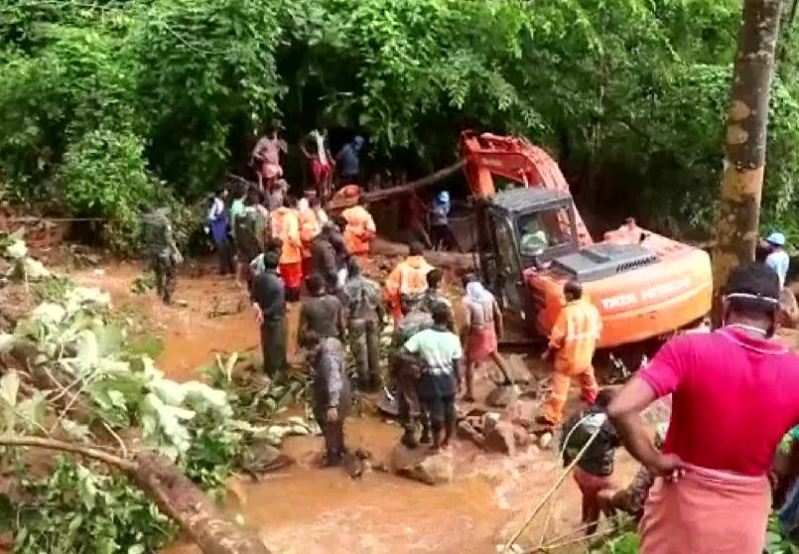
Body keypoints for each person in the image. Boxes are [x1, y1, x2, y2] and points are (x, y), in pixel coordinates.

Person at [608, 263, 799, 554]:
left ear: (725, 307)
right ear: (775, 317)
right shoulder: (795, 371)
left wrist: (654, 460)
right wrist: (780, 465)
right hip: (743, 518)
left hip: (680, 507)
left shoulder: (688, 349)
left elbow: (621, 408)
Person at [540, 280, 602, 425]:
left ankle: (552, 415)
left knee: (560, 387)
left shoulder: (567, 313)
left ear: (569, 294)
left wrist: (548, 353)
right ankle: (593, 399)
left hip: (568, 358)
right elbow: (598, 331)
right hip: (586, 355)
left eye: (564, 294)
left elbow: (556, 338)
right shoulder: (592, 310)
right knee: (588, 377)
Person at [403, 303, 463, 452]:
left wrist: (417, 362)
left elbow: (401, 353)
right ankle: (447, 441)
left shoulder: (422, 336)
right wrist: (459, 379)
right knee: (450, 410)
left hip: (430, 379)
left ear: (432, 318)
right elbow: (457, 362)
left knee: (435, 412)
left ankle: (436, 444)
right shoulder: (453, 338)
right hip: (448, 378)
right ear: (448, 319)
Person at [561, 389, 620, 535]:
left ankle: (583, 521)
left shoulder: (579, 414)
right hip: (597, 476)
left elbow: (565, 439)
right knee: (598, 505)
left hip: (579, 471)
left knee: (587, 497)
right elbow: (620, 441)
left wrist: (566, 460)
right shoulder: (607, 422)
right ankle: (590, 538)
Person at [459, 274, 512, 402]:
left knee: (470, 361)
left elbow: (466, 323)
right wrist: (500, 331)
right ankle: (509, 377)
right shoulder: (488, 295)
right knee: (494, 353)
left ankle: (470, 393)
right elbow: (498, 314)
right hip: (490, 328)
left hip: (477, 331)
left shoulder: (467, 301)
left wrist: (463, 338)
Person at [305, 330, 351, 466]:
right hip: (343, 390)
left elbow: (333, 381)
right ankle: (341, 449)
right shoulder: (332, 344)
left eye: (310, 350)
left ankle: (333, 458)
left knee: (328, 424)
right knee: (337, 424)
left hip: (335, 394)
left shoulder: (327, 359)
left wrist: (332, 405)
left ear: (314, 346)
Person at [392, 304, 434, 448]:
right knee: (425, 399)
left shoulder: (402, 324)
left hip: (407, 366)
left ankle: (410, 434)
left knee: (409, 399)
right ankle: (427, 433)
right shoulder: (431, 321)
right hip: (428, 365)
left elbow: (394, 351)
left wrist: (392, 372)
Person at [343, 258, 385, 391]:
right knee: (374, 350)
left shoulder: (346, 288)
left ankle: (364, 383)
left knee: (361, 352)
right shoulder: (373, 285)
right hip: (372, 318)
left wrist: (343, 327)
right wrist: (382, 319)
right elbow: (379, 305)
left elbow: (346, 310)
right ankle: (376, 381)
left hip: (356, 320)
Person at [250, 251, 287, 377]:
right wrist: (265, 313)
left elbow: (253, 297)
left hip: (264, 320)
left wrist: (259, 311)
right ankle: (277, 374)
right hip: (276, 318)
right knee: (278, 345)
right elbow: (278, 304)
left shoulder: (258, 279)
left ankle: (268, 370)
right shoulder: (279, 283)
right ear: (277, 264)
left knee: (267, 345)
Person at [141, 207, 183, 305]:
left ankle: (158, 296)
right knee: (171, 274)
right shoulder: (165, 222)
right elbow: (168, 240)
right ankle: (166, 300)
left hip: (150, 252)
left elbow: (141, 235)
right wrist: (176, 252)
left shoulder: (147, 220)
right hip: (163, 253)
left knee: (158, 273)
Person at [384, 242, 434, 320]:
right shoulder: (430, 269)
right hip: (424, 309)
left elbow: (391, 289)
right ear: (422, 254)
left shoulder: (401, 268)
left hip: (404, 308)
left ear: (409, 253)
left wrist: (394, 306)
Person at [298, 273, 346, 346]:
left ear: (310, 289)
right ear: (323, 286)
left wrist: (301, 343)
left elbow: (303, 330)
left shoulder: (307, 305)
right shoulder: (335, 301)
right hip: (334, 340)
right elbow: (342, 324)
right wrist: (343, 337)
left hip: (316, 344)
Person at [270, 197, 303, 301]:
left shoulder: (273, 215)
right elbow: (292, 236)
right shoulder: (291, 217)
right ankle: (293, 300)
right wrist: (300, 245)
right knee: (294, 280)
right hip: (291, 254)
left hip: (278, 252)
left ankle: (283, 299)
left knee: (282, 279)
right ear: (292, 206)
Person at [233, 192, 263, 289]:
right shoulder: (257, 215)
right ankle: (253, 282)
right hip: (253, 243)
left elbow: (236, 228)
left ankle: (238, 280)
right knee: (254, 263)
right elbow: (259, 231)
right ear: (256, 203)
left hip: (241, 242)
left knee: (241, 261)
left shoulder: (240, 214)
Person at [207, 190, 235, 275]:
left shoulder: (218, 204)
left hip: (220, 229)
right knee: (226, 249)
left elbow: (218, 216)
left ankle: (224, 270)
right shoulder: (218, 204)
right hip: (221, 228)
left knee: (222, 250)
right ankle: (230, 268)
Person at [301, 128, 334, 200]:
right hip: (316, 160)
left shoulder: (325, 136)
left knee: (326, 179)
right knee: (317, 181)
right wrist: (308, 155)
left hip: (324, 160)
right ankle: (318, 197)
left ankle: (323, 198)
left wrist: (330, 159)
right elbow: (302, 143)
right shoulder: (313, 134)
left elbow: (327, 148)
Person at [311, 224, 340, 293]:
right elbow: (330, 267)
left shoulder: (315, 242)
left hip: (316, 279)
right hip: (326, 283)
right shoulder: (326, 247)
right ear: (330, 233)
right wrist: (336, 280)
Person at [298, 197, 322, 278]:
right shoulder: (309, 215)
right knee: (307, 269)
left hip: (306, 244)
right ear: (316, 206)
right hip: (308, 243)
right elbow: (308, 231)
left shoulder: (308, 213)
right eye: (319, 206)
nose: (319, 209)